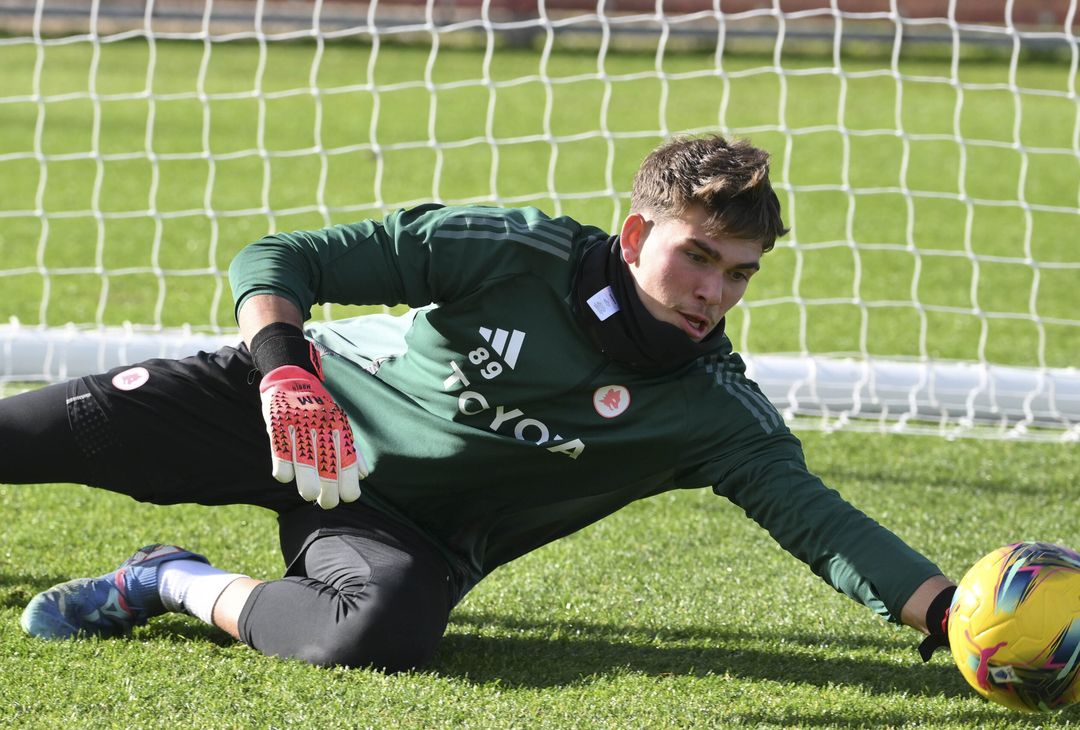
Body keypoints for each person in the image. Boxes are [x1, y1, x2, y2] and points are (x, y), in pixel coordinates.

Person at [1, 135, 955, 671]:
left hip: (397, 524)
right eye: (697, 256)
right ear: (634, 234)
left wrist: (956, 619)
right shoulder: (512, 251)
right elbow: (280, 257)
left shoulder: (712, 412)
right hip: (294, 402)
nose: (714, 292)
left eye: (740, 275)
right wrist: (285, 371)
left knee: (377, 635)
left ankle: (165, 578)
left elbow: (824, 524)